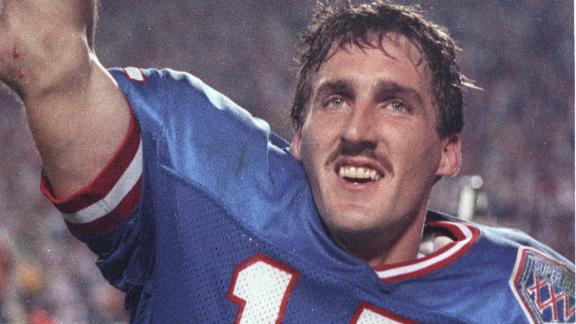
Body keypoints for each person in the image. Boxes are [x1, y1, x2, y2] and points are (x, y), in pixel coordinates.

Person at [0, 0, 573, 323]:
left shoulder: (523, 297)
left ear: (448, 152)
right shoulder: (195, 174)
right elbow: (47, 56)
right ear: (298, 137)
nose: (356, 130)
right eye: (335, 99)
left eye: (395, 104)